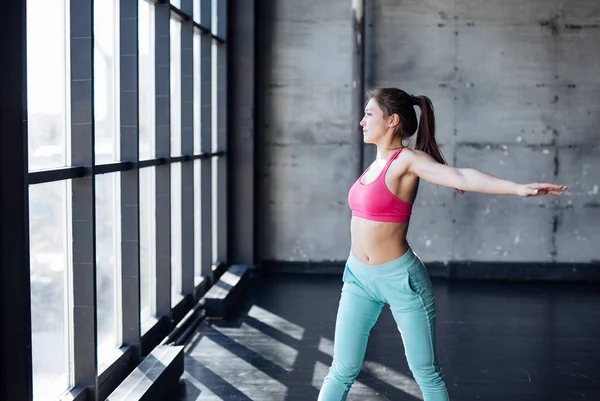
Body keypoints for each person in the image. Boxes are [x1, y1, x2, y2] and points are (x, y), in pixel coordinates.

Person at [317, 87, 567, 401]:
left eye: (369, 114)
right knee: (341, 368)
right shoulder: (374, 166)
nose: (361, 121)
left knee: (426, 373)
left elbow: (461, 176)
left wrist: (518, 189)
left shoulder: (407, 161)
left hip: (401, 280)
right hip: (357, 277)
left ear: (393, 120)